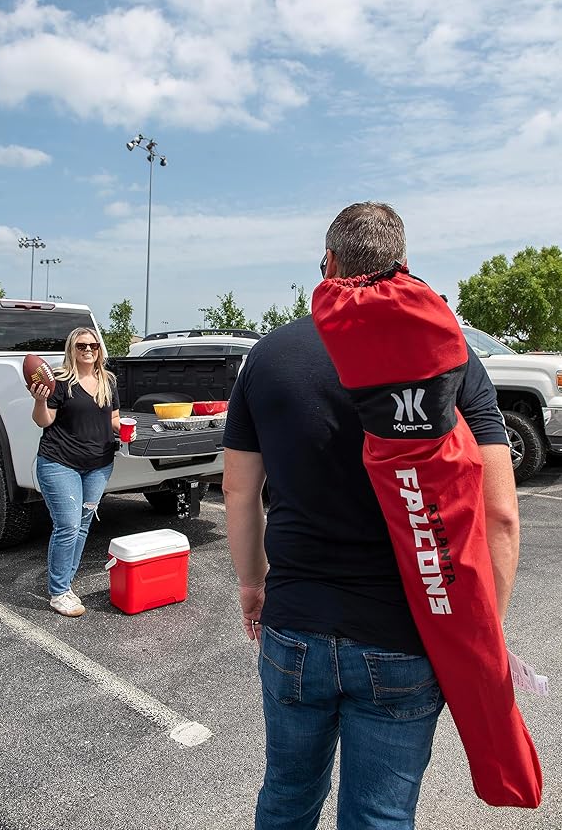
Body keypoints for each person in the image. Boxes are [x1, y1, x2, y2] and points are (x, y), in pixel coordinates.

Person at [222, 202, 519, 830]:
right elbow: (500, 516)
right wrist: (480, 631)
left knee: (286, 797)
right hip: (405, 636)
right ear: (403, 268)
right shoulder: (450, 358)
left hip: (294, 624)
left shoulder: (268, 356)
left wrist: (253, 585)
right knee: (379, 817)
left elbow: (239, 492)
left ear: (328, 263)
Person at [30, 326, 127, 617]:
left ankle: (66, 584)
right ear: (72, 349)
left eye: (94, 346)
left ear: (100, 350)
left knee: (83, 524)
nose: (88, 350)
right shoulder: (60, 381)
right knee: (68, 526)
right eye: (82, 345)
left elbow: (113, 418)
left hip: (98, 466)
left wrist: (128, 429)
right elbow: (43, 421)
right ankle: (59, 592)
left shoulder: (107, 380)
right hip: (60, 463)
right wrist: (38, 399)